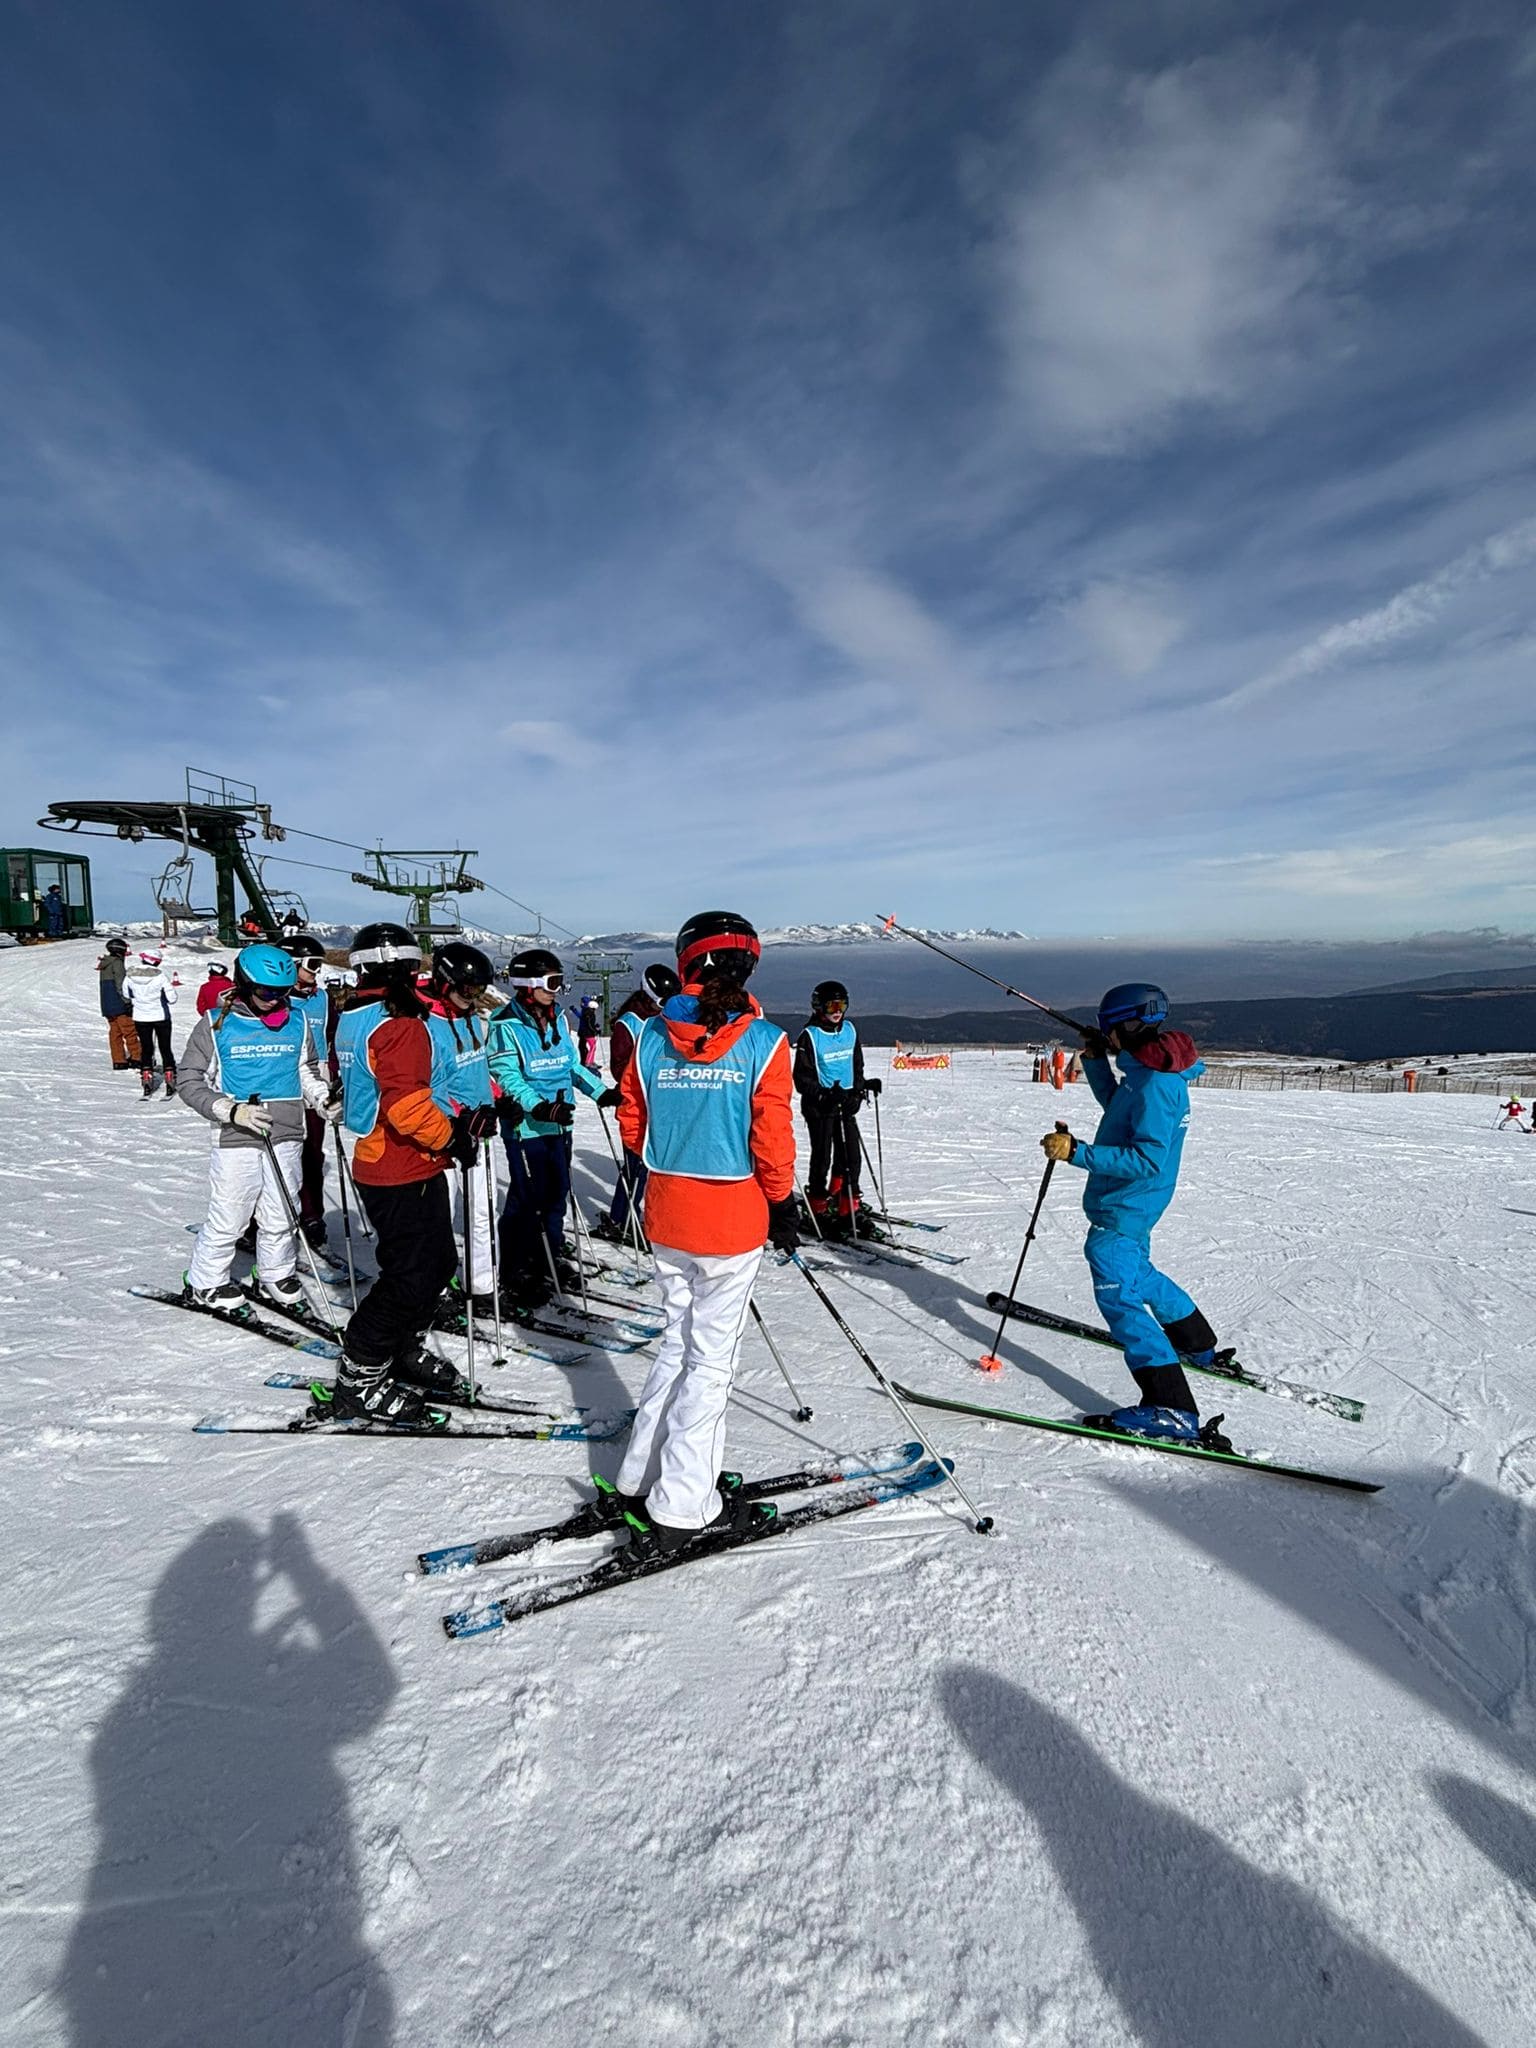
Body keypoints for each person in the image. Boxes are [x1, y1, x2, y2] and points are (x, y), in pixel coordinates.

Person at [611, 911, 798, 1558]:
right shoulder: (765, 1042)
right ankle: (683, 1504)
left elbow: (632, 1123)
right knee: (710, 1363)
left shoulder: (650, 1036)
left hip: (667, 1213)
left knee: (678, 1343)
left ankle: (641, 1475)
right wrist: (783, 1202)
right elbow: (771, 1139)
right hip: (732, 1220)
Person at [1040, 983, 1231, 1449]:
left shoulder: (1156, 1084)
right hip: (1136, 1203)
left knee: (1117, 1285)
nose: (1107, 1036)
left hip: (1127, 1203)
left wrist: (1078, 1153)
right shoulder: (1149, 1073)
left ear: (1125, 1026)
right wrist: (1095, 1062)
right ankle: (1197, 1343)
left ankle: (1171, 1407)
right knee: (1138, 1272)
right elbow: (1121, 1114)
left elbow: (1146, 1158)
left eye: (1108, 1029)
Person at [333, 922, 496, 1424]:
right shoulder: (399, 1023)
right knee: (410, 1277)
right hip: (399, 1165)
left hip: (397, 1161)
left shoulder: (355, 1015)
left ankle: (402, 1347)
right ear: (409, 968)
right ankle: (358, 1377)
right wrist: (453, 1137)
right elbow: (407, 1108)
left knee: (437, 1263)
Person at [178, 944, 338, 1311]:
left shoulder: (297, 1021)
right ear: (246, 984)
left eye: (283, 991)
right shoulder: (216, 1024)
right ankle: (206, 1281)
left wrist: (321, 1097)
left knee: (282, 1211)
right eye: (266, 991)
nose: (275, 1000)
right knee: (232, 1213)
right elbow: (189, 1080)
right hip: (237, 1134)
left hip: (287, 1131)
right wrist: (229, 1110)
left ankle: (274, 1274)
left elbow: (305, 1070)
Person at [487, 948, 617, 1310]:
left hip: (560, 1123)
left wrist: (601, 1092)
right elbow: (507, 1075)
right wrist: (539, 1106)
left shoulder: (558, 1018)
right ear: (528, 984)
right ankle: (516, 1267)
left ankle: (548, 1254)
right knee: (526, 1198)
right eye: (552, 982)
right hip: (527, 1128)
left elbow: (570, 1066)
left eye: (560, 982)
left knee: (557, 1192)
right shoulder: (504, 1024)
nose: (557, 990)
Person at [422, 940, 498, 1309]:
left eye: (479, 990)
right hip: (445, 1134)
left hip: (478, 1129)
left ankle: (481, 1283)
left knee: (481, 1211)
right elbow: (430, 1085)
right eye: (467, 990)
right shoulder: (426, 1023)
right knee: (440, 1215)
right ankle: (435, 1287)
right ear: (443, 982)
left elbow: (477, 1068)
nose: (473, 998)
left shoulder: (470, 1018)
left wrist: (497, 1098)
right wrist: (461, 1117)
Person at [593, 964, 681, 1245]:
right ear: (648, 995)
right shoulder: (629, 1023)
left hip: (662, 1104)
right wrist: (648, 1079)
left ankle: (641, 1214)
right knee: (636, 1168)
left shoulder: (663, 1020)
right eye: (663, 1002)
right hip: (637, 1106)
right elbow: (620, 1068)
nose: (666, 1008)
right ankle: (620, 1219)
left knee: (655, 1167)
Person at [792, 979, 882, 1238]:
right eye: (832, 1005)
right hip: (820, 1107)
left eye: (842, 1005)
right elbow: (802, 1079)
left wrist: (861, 1088)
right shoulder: (811, 1036)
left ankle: (847, 1207)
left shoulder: (850, 1031)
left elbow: (856, 1065)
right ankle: (818, 1208)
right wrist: (823, 1094)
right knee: (822, 1157)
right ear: (819, 1006)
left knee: (850, 1157)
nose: (837, 1011)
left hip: (845, 1103)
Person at [279, 934, 336, 1252]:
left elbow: (333, 1036)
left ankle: (312, 1216)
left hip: (316, 1084)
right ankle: (264, 1220)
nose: (317, 971)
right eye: (312, 964)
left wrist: (335, 1077)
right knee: (279, 1154)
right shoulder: (273, 998)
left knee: (312, 1153)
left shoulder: (322, 999)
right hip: (282, 1087)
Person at [125, 949, 179, 1098]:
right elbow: (172, 998)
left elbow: (126, 993)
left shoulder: (130, 975)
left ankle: (146, 1076)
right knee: (165, 1048)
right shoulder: (160, 976)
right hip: (160, 1016)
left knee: (146, 1048)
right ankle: (169, 1076)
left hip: (140, 1016)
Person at [97, 937, 139, 1070]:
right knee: (130, 1031)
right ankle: (137, 1057)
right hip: (119, 1004)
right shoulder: (117, 963)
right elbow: (121, 985)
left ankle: (119, 1060)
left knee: (115, 1032)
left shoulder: (105, 964)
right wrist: (127, 1002)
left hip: (107, 1006)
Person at [577, 994, 602, 1070]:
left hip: (586, 1032)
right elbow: (589, 1024)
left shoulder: (587, 1012)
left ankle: (590, 1061)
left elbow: (590, 1023)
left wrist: (595, 1026)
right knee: (592, 1047)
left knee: (592, 1047)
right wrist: (595, 1030)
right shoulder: (590, 1014)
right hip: (588, 1033)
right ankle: (588, 1062)